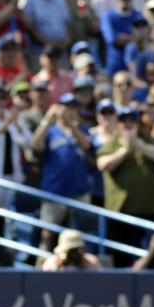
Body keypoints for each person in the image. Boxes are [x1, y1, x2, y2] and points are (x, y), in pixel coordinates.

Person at [96, 108, 154, 267]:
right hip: (120, 213)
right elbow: (102, 164)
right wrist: (125, 150)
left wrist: (138, 145)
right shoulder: (112, 144)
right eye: (123, 121)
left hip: (148, 211)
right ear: (118, 125)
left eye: (131, 121)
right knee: (120, 258)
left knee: (151, 259)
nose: (128, 125)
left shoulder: (148, 140)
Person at [29, 100, 92, 251]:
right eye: (66, 108)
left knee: (80, 235)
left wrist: (71, 125)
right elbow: (34, 145)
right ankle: (42, 267)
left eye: (72, 108)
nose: (69, 111)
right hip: (54, 189)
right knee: (47, 234)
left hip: (79, 190)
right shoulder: (50, 131)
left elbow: (87, 146)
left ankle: (82, 267)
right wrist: (47, 120)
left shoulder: (82, 129)